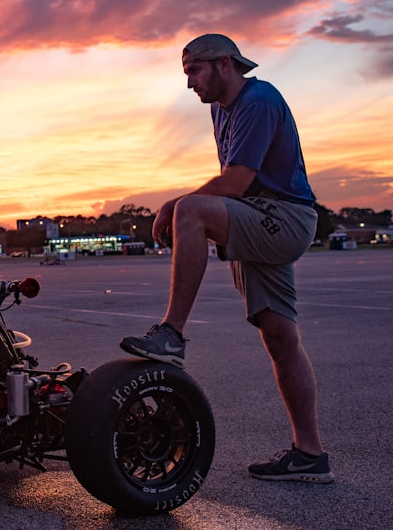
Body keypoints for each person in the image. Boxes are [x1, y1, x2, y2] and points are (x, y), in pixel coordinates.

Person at [119, 34, 334, 484]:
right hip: (260, 217)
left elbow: (233, 184)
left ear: (224, 65)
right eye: (186, 74)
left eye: (195, 71)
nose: (190, 83)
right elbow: (233, 186)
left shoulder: (258, 99)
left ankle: (171, 334)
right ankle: (310, 454)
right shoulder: (221, 109)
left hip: (286, 217)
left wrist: (172, 206)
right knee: (279, 336)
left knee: (191, 209)